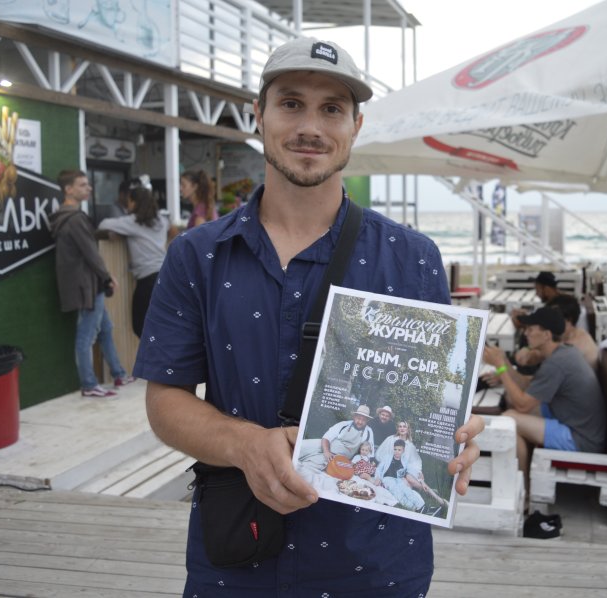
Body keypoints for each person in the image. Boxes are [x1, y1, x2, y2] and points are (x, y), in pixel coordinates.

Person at [133, 37, 483, 596]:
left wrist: (453, 435)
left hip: (377, 564)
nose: (310, 127)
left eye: (332, 109)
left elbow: (434, 395)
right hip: (237, 557)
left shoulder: (414, 258)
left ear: (355, 126)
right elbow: (164, 400)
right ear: (259, 115)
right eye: (291, 103)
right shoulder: (197, 255)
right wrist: (243, 443)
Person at [481, 307, 606, 497]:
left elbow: (523, 404)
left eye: (531, 329)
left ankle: (523, 493)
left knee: (509, 420)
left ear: (547, 335)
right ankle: (520, 477)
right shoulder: (563, 353)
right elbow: (526, 387)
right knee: (511, 403)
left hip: (580, 438)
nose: (526, 333)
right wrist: (504, 361)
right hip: (575, 422)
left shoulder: (556, 363)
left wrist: (500, 368)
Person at [49, 169, 136, 398]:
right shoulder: (75, 219)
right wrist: (107, 276)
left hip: (87, 283)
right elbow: (90, 253)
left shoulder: (65, 217)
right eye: (82, 184)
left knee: (105, 329)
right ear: (68, 189)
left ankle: (118, 374)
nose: (88, 188)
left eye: (87, 184)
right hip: (86, 285)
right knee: (86, 337)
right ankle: (88, 385)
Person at [97, 176, 177, 338]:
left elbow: (103, 224)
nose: (127, 205)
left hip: (148, 280)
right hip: (165, 276)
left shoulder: (133, 222)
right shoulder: (161, 220)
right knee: (161, 324)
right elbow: (172, 227)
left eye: (129, 202)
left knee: (140, 327)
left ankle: (158, 354)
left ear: (134, 203)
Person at [514, 293, 598, 371]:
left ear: (568, 320)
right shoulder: (570, 336)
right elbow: (536, 356)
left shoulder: (573, 346)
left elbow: (541, 355)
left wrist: (528, 352)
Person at [298, 405, 375, 471]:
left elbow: (370, 453)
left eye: (363, 420)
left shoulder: (368, 432)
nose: (360, 422)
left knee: (311, 465)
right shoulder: (344, 424)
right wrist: (326, 452)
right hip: (325, 445)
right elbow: (326, 438)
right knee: (301, 446)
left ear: (367, 420)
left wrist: (367, 465)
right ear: (354, 417)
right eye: (358, 418)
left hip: (336, 457)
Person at [373, 439, 427, 513]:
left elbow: (412, 470)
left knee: (406, 490)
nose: (396, 452)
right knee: (397, 492)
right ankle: (413, 507)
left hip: (398, 480)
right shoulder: (387, 457)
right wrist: (377, 477)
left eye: (399, 450)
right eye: (395, 449)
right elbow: (379, 469)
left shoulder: (404, 461)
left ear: (403, 450)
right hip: (387, 479)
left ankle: (421, 506)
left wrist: (421, 477)